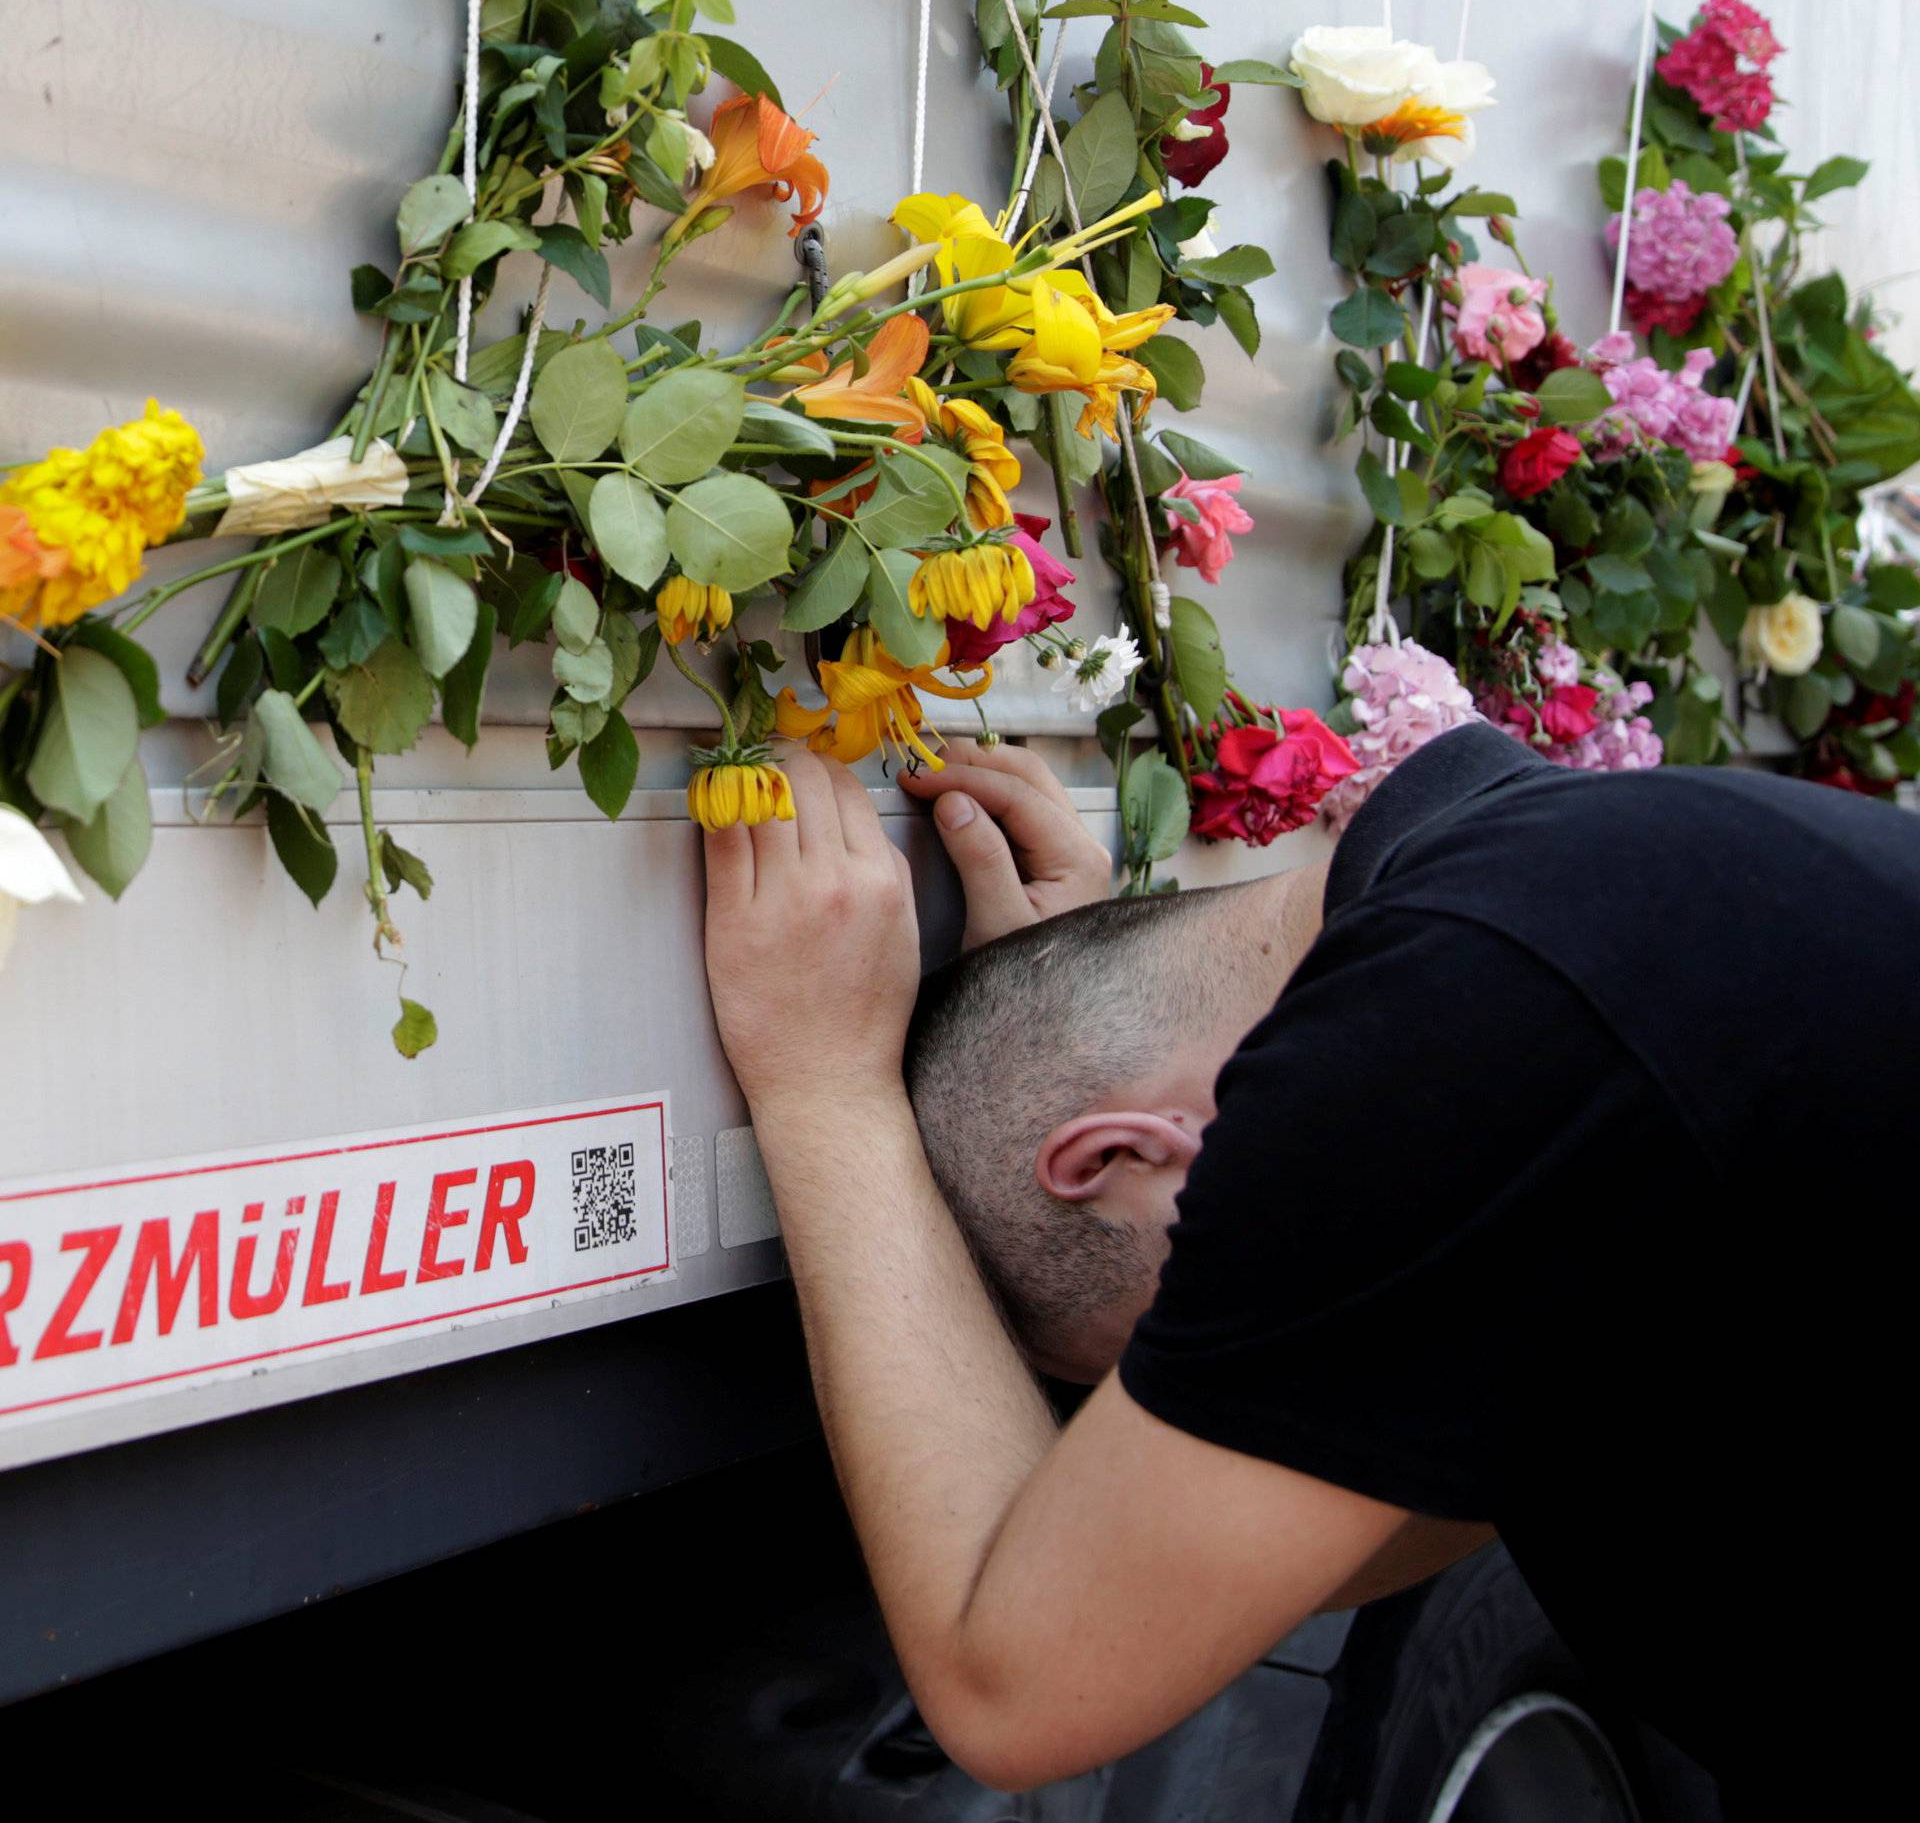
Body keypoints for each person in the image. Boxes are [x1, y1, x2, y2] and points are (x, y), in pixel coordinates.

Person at [699, 722, 1919, 1814]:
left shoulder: (1469, 1014)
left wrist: (825, 1090)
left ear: (1125, 1149)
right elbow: (1338, 1505)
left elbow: (1013, 1694)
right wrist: (1045, 1012)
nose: (1225, 1396)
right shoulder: (1551, 906)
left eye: (1182, 1335)